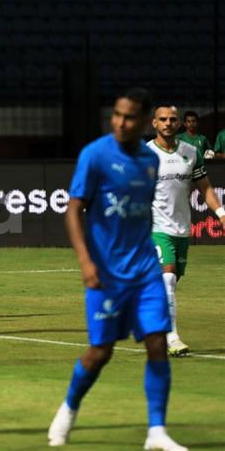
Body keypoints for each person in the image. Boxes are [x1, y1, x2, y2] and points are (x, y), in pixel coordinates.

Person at [47, 89, 187, 451]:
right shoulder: (95, 155)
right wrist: (86, 261)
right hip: (107, 275)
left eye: (129, 117)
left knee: (157, 342)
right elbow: (73, 209)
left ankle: (157, 431)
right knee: (101, 352)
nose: (121, 123)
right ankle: (68, 409)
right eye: (117, 115)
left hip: (145, 271)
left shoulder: (149, 160)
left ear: (142, 122)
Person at [147, 105, 225, 356]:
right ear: (154, 123)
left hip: (181, 228)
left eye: (172, 119)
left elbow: (205, 187)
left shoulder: (191, 153)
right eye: (163, 119)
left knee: (171, 281)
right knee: (168, 277)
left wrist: (221, 213)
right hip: (155, 227)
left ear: (179, 123)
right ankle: (172, 337)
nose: (168, 123)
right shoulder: (144, 155)